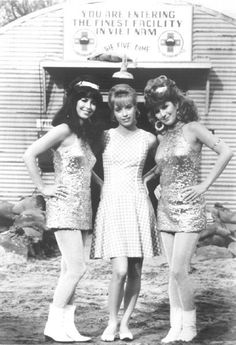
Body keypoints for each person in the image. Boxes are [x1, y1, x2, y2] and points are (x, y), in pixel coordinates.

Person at [143, 75, 233, 343]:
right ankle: (175, 327)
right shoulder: (163, 134)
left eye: (166, 105)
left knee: (179, 270)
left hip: (190, 208)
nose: (163, 112)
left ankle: (190, 324)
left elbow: (226, 151)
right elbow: (166, 165)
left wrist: (205, 184)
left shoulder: (193, 128)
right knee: (171, 270)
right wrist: (155, 181)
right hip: (166, 208)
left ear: (176, 103)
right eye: (157, 109)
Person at [23, 76, 103, 343]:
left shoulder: (84, 133)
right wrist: (43, 188)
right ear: (73, 101)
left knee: (68, 269)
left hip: (83, 208)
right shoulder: (65, 129)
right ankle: (52, 325)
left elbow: (88, 171)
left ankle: (67, 327)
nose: (88, 106)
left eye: (93, 102)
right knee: (77, 269)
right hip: (65, 206)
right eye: (83, 100)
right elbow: (30, 153)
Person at [90, 84, 161, 342]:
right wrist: (103, 186)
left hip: (138, 205)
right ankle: (111, 323)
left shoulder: (149, 138)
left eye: (128, 107)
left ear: (136, 108)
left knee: (135, 271)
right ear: (113, 111)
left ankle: (126, 324)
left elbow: (166, 160)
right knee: (119, 270)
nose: (124, 113)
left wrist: (149, 179)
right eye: (118, 109)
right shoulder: (105, 136)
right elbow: (85, 162)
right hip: (113, 205)